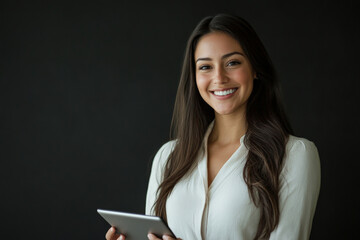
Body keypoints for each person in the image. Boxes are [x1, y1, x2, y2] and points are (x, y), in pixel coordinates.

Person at [106, 13, 321, 240]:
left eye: (232, 63)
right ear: (194, 76)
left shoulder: (295, 155)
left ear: (256, 68)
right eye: (205, 67)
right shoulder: (168, 157)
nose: (219, 78)